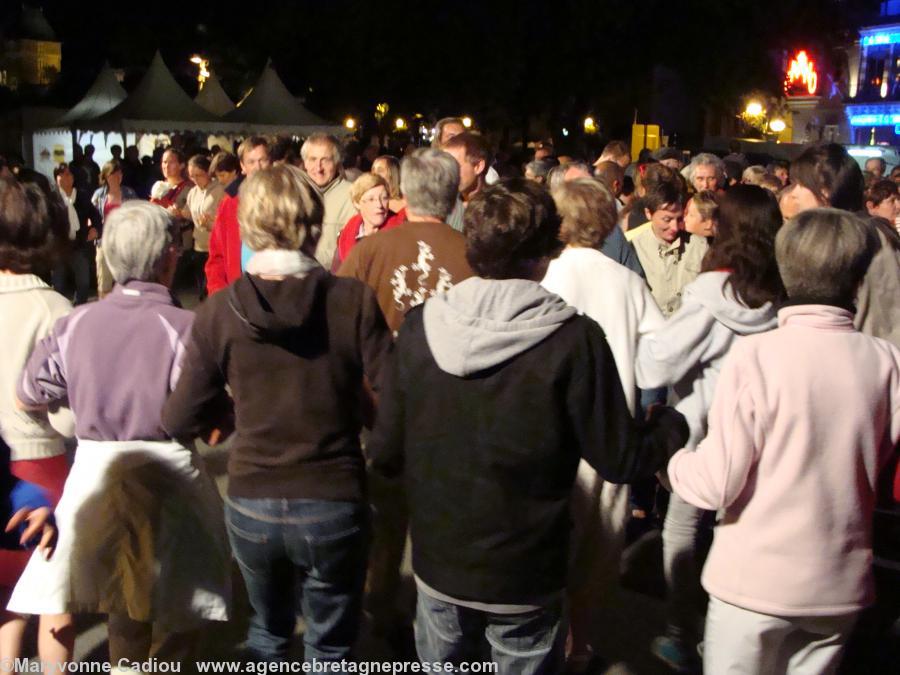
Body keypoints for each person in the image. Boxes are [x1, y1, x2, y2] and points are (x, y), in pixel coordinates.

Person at [368, 178, 689, 675]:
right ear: (546, 254)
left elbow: (387, 448)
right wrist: (671, 426)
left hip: (440, 557)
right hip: (526, 568)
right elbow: (620, 458)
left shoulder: (420, 326)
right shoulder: (575, 339)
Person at [163, 164, 390, 665]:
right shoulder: (351, 299)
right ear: (312, 223)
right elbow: (394, 400)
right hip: (334, 496)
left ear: (248, 225)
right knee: (331, 646)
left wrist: (229, 411)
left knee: (268, 634)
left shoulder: (220, 310)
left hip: (253, 499)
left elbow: (178, 418)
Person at [668, 208, 900, 674]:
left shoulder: (757, 356)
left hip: (753, 583)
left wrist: (672, 460)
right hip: (839, 585)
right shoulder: (886, 360)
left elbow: (716, 483)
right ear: (857, 278)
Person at [9, 202, 229, 670]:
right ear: (168, 259)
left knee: (122, 606)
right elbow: (212, 421)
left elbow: (28, 394)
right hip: (170, 478)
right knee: (179, 611)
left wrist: (74, 400)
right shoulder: (187, 328)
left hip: (97, 476)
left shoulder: (75, 323)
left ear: (108, 257)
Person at [636, 185, 785, 671]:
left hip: (703, 434)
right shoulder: (781, 291)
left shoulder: (711, 292)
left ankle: (680, 634)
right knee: (734, 534)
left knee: (682, 529)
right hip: (760, 430)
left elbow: (657, 363)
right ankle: (725, 639)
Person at [542, 178, 665, 671]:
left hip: (550, 431)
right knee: (597, 548)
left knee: (551, 546)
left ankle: (542, 644)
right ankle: (578, 646)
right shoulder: (627, 282)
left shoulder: (545, 274)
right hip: (610, 432)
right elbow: (657, 362)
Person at [0, 176, 74, 670]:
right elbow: (69, 417)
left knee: (5, 600)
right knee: (53, 598)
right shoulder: (57, 309)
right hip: (43, 469)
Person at [338, 148, 474, 334]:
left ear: (405, 194)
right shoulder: (473, 254)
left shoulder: (368, 249)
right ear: (452, 198)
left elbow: (339, 310)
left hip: (385, 351)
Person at [789, 143, 900, 348]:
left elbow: (885, 315)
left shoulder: (866, 237)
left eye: (800, 184)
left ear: (826, 190)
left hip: (868, 354)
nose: (793, 193)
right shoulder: (830, 233)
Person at [630, 180, 708, 316]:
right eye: (667, 220)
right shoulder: (634, 248)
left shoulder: (699, 246)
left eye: (679, 219)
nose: (675, 227)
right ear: (648, 214)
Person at [206, 137, 271, 294]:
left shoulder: (285, 201)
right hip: (238, 294)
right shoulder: (229, 204)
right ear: (242, 166)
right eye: (251, 162)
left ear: (271, 162)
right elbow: (216, 256)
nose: (258, 167)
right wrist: (218, 294)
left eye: (262, 160)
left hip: (273, 293)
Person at [301, 134, 355, 268]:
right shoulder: (293, 194)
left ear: (337, 163)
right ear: (305, 163)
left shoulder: (353, 197)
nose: (318, 168)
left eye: (325, 160)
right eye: (312, 159)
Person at [51, 163, 101, 305]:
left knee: (83, 283)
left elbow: (96, 216)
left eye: (68, 174)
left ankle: (80, 309)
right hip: (59, 246)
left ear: (73, 177)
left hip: (79, 244)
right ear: (56, 178)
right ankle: (60, 311)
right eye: (61, 174)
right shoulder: (52, 198)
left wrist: (95, 229)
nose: (65, 177)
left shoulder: (82, 196)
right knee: (58, 284)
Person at [333, 174, 406, 270]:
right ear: (357, 203)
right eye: (371, 199)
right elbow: (336, 275)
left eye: (384, 198)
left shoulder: (401, 234)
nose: (379, 205)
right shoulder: (345, 237)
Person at [91, 160, 138, 298]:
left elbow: (137, 215)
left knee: (126, 282)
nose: (117, 176)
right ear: (105, 176)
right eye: (113, 174)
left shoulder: (129, 193)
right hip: (104, 242)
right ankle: (104, 307)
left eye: (119, 173)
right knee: (104, 282)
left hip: (125, 243)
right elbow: (91, 215)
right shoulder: (99, 195)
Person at [185, 155, 225, 299]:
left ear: (208, 172)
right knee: (201, 289)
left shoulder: (220, 190)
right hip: (198, 247)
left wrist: (209, 223)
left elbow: (225, 222)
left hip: (214, 247)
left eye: (199, 175)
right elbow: (189, 213)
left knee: (213, 289)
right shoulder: (193, 192)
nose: (195, 179)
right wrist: (178, 212)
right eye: (192, 176)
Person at [444, 132, 492, 233]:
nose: (447, 173)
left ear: (478, 166)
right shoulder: (444, 205)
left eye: (454, 166)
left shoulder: (497, 210)